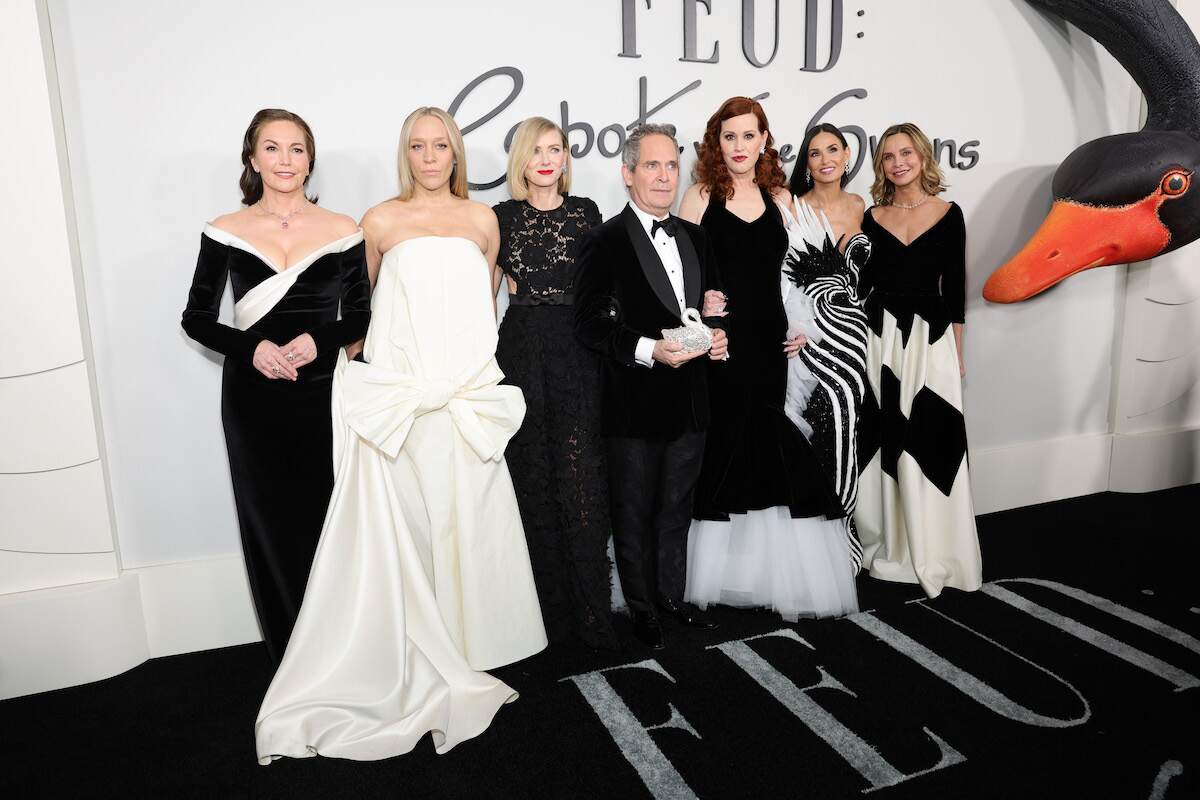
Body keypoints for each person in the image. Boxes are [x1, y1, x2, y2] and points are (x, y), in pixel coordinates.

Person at [255, 107, 546, 763]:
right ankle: (415, 649)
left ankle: (472, 644)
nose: (430, 156)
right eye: (418, 146)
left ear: (455, 152)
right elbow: (359, 313)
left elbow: (484, 304)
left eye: (440, 145)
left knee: (469, 518)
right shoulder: (379, 221)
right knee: (409, 528)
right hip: (405, 403)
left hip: (464, 398)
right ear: (406, 154)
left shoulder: (483, 219)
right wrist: (352, 379)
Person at [181, 108, 369, 664]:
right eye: (272, 148)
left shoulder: (342, 228)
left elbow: (362, 314)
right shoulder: (224, 230)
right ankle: (290, 657)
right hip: (253, 399)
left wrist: (320, 340)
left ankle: (341, 649)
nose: (285, 160)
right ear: (252, 158)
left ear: (310, 161)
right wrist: (252, 348)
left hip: (322, 394)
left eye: (297, 149)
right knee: (267, 523)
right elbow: (196, 318)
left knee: (328, 518)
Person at [677, 98, 857, 622]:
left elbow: (802, 273)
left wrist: (804, 324)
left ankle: (761, 576)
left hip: (772, 345)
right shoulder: (700, 196)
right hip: (720, 346)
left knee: (767, 444)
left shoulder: (781, 198)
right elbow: (678, 274)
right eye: (729, 136)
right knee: (723, 445)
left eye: (748, 135)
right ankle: (716, 575)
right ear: (717, 143)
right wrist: (701, 312)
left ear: (763, 141)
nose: (739, 146)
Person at [574, 123, 729, 650]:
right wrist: (648, 349)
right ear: (628, 173)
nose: (664, 177)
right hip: (633, 401)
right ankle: (642, 611)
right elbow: (587, 325)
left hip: (691, 400)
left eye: (671, 166)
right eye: (652, 165)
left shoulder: (696, 236)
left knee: (677, 508)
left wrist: (717, 335)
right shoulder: (603, 240)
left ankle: (672, 599)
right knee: (634, 512)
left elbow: (707, 306)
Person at [493, 117, 619, 650]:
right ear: (520, 160)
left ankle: (593, 615)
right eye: (535, 150)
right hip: (521, 348)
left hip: (576, 351)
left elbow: (604, 290)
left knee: (581, 476)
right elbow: (484, 292)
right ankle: (546, 619)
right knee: (533, 478)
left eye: (555, 149)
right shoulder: (500, 217)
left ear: (565, 158)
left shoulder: (586, 212)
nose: (546, 160)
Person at [855, 122, 982, 598]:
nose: (898, 163)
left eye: (905, 153)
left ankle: (936, 547)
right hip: (881, 341)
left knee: (933, 437)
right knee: (886, 440)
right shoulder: (871, 217)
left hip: (931, 340)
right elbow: (860, 286)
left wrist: (958, 355)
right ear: (881, 166)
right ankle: (891, 543)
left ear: (923, 156)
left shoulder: (949, 214)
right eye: (888, 156)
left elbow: (957, 290)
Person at [777, 122, 873, 571]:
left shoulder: (861, 206)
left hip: (854, 340)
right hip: (810, 342)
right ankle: (810, 555)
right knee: (815, 435)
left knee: (848, 435)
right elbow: (779, 278)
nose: (825, 160)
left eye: (833, 150)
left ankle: (845, 543)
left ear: (847, 155)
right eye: (814, 153)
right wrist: (790, 327)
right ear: (806, 162)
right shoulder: (791, 207)